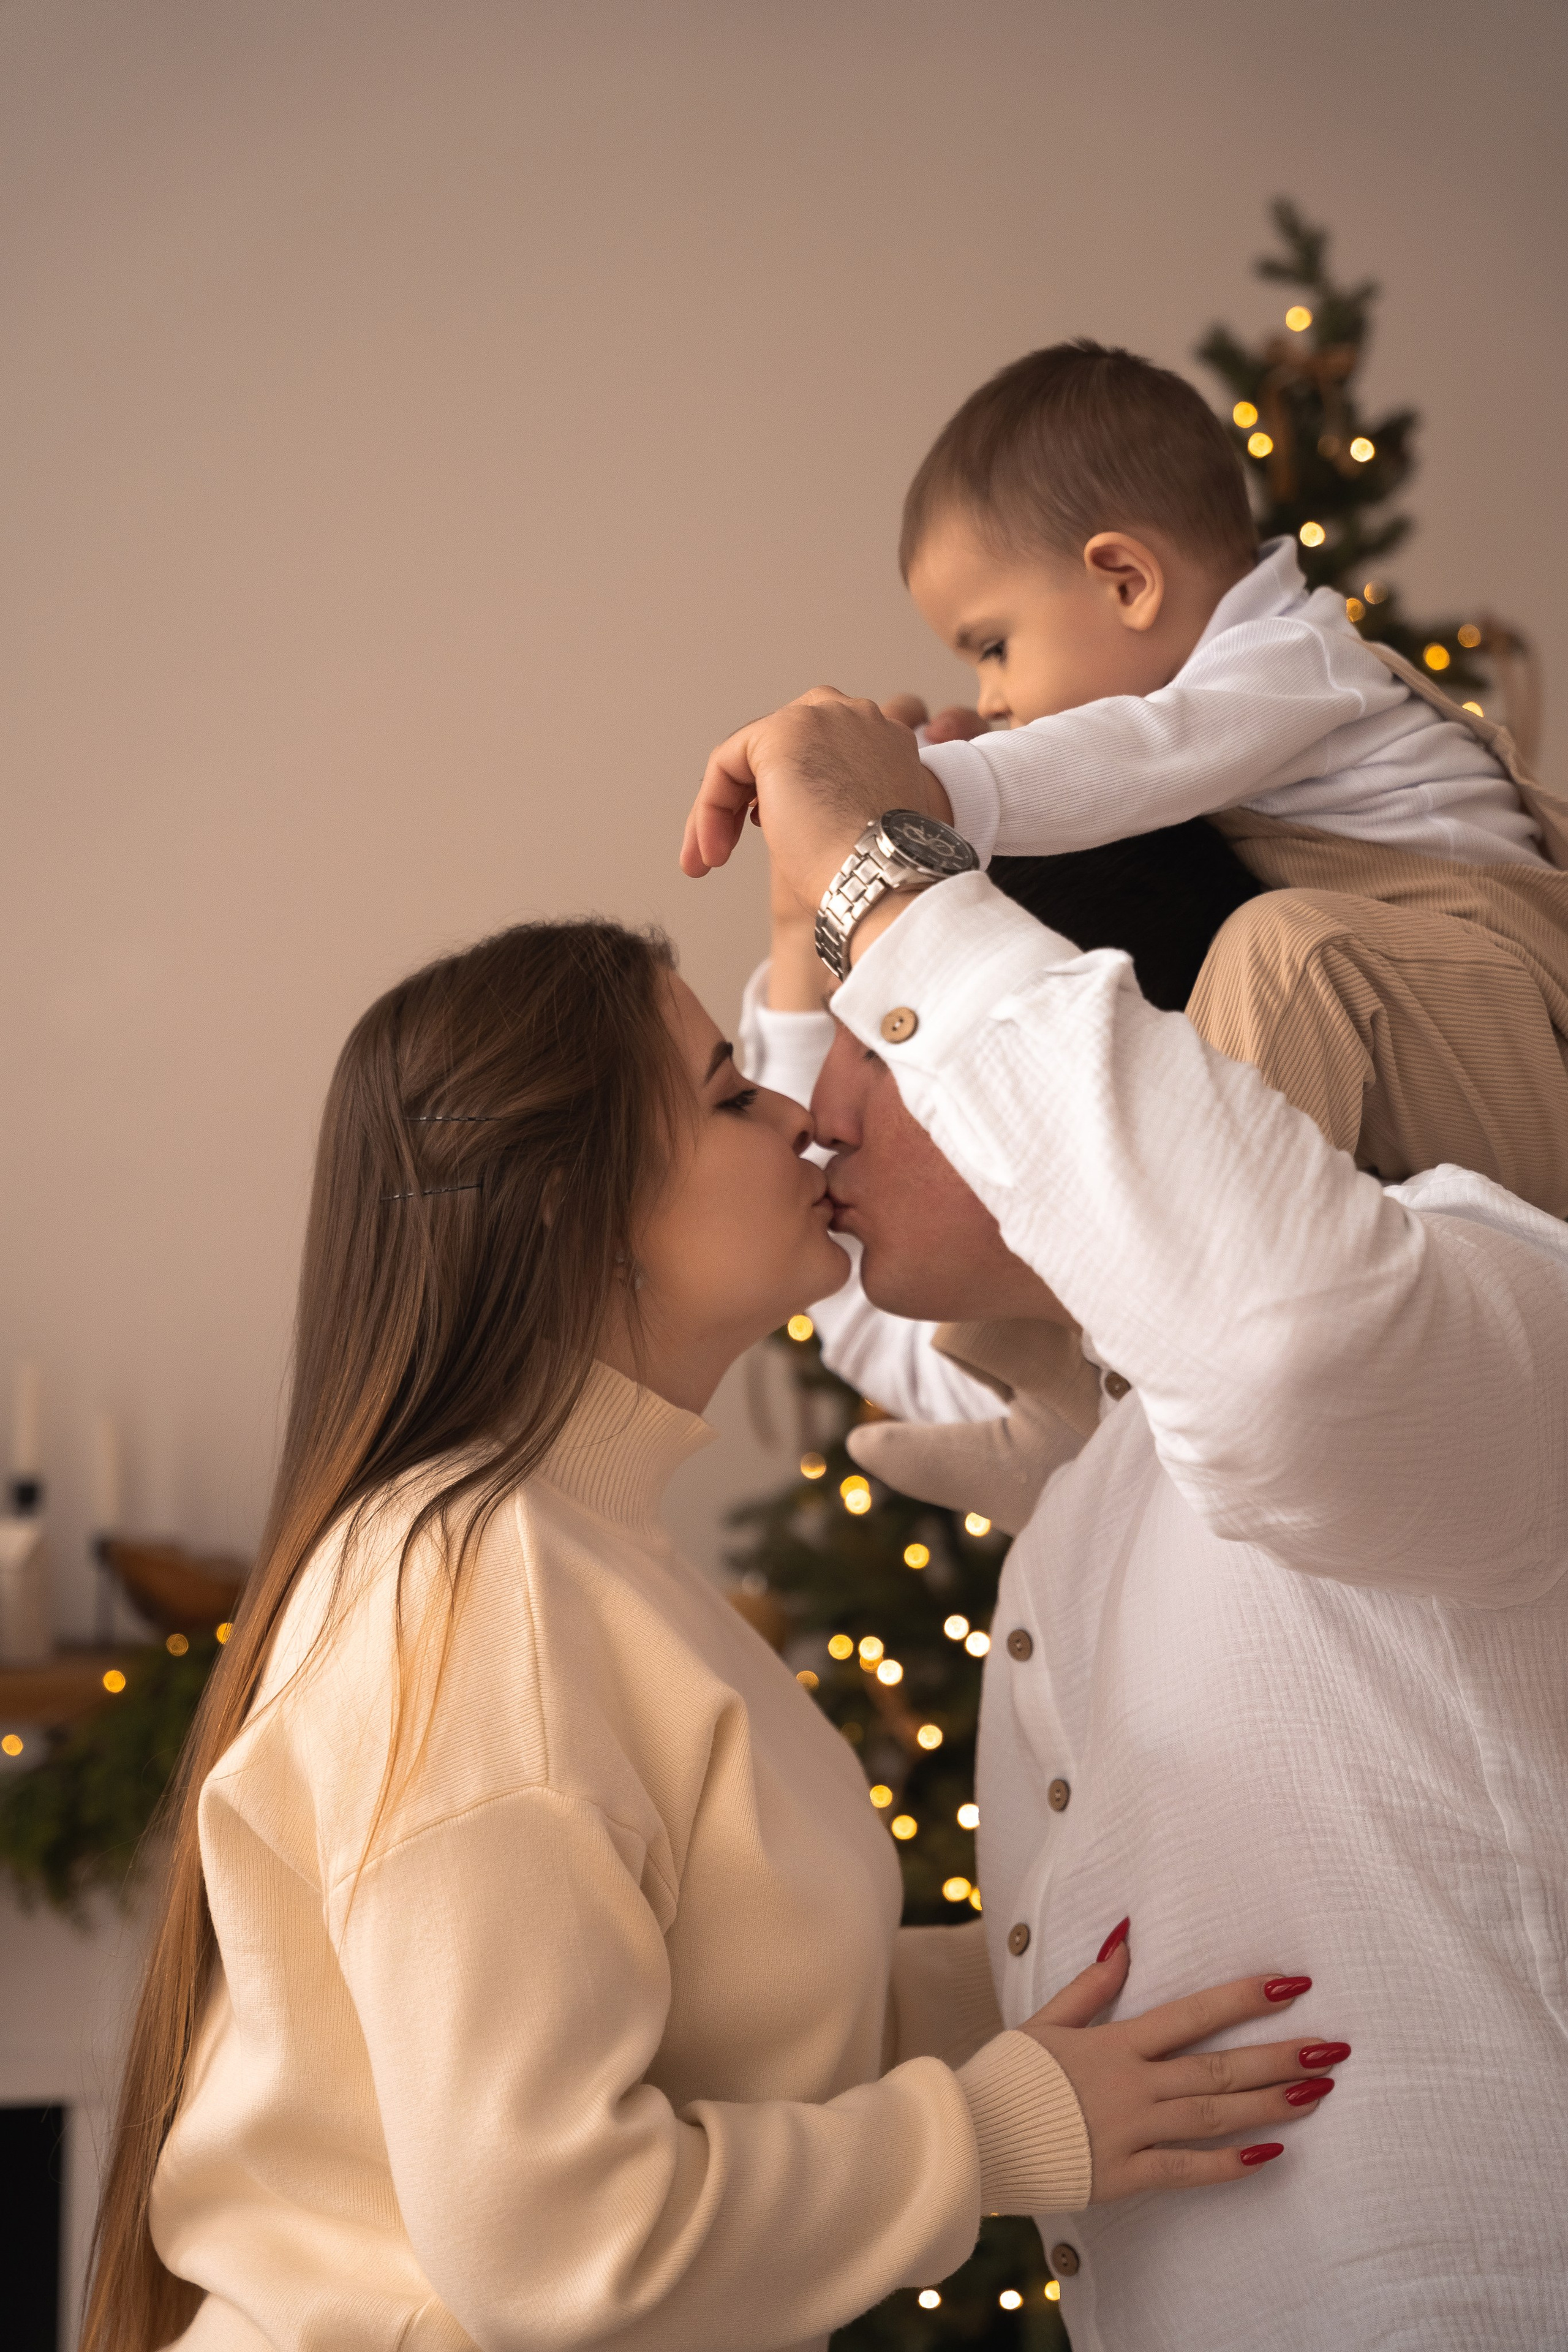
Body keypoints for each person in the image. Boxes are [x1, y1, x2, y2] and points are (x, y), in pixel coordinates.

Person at [83, 919, 1334, 2352]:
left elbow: (752, 2023)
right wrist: (993, 2135)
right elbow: (559, 2243)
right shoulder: (476, 1586)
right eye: (732, 1093)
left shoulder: (588, 1554)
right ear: (570, 1201)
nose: (803, 1119)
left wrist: (1093, 1980)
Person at [684, 687, 1568, 2351]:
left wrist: (890, 876)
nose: (820, 1111)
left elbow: (1284, 1350)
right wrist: (818, 920)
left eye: (892, 1040)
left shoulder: (1487, 1296)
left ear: (1111, 1035)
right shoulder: (1100, 1465)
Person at [851, 341, 1568, 1213]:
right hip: (1437, 1039)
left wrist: (927, 788)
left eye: (995, 648)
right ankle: (1085, 1303)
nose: (992, 699)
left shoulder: (1292, 664)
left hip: (1525, 1033)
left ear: (1126, 581)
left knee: (1283, 953)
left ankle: (1195, 1292)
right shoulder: (1258, 685)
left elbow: (1137, 754)